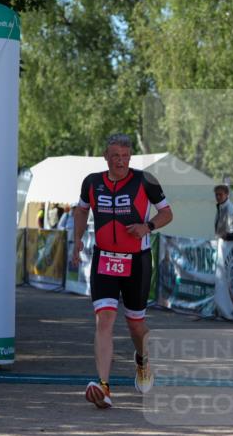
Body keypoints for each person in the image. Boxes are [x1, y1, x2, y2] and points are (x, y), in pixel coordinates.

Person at [72, 133, 173, 409]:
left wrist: (147, 227)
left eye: (125, 156)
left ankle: (142, 360)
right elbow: (80, 211)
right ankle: (104, 387)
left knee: (135, 324)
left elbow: (167, 213)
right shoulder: (92, 182)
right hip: (104, 259)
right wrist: (77, 239)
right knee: (104, 320)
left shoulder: (145, 180)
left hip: (137, 261)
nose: (120, 161)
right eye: (115, 156)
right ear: (105, 156)